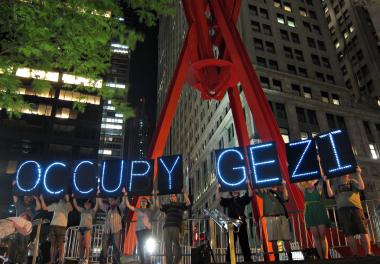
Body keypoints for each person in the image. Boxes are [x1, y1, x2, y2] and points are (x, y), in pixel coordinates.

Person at [324, 165, 373, 257]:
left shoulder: (352, 181)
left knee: (363, 231)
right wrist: (327, 182)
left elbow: (362, 187)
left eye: (345, 173)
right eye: (342, 173)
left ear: (348, 174)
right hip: (343, 210)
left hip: (356, 208)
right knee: (349, 233)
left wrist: (358, 173)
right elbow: (330, 194)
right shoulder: (335, 184)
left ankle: (368, 252)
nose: (344, 175)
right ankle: (355, 254)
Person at [216, 182, 253, 262]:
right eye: (233, 191)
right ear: (231, 192)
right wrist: (218, 188)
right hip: (231, 225)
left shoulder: (242, 199)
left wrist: (248, 185)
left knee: (244, 242)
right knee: (231, 243)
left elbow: (250, 195)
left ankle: (248, 259)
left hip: (241, 223)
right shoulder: (228, 201)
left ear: (238, 192)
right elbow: (218, 199)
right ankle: (229, 260)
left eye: (236, 190)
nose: (235, 191)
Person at [257, 180, 292, 261]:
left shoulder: (280, 193)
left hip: (282, 217)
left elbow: (286, 198)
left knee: (286, 239)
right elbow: (256, 189)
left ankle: (290, 257)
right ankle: (277, 258)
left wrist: (284, 186)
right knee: (273, 240)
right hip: (271, 218)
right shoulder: (265, 193)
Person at [296, 180, 330, 259]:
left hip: (319, 211)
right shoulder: (304, 191)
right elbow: (296, 182)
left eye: (310, 181)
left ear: (314, 182)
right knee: (316, 237)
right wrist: (289, 167)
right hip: (310, 213)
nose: (308, 183)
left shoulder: (318, 188)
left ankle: (326, 257)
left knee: (322, 236)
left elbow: (321, 179)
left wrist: (320, 171)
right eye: (307, 182)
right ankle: (321, 257)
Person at [10, 181, 41, 264]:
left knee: (23, 249)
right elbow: (15, 196)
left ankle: (22, 262)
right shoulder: (19, 205)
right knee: (14, 248)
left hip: (26, 232)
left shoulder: (32, 208)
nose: (26, 197)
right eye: (25, 196)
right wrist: (14, 186)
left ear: (31, 199)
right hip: (16, 230)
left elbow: (39, 207)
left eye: (28, 197)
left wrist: (36, 198)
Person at [125, 193, 158, 264]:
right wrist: (125, 195)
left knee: (147, 244)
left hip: (147, 229)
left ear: (147, 203)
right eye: (141, 202)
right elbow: (128, 206)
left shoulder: (149, 210)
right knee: (140, 245)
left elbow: (156, 206)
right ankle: (143, 260)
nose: (142, 203)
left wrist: (154, 196)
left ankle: (148, 260)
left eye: (144, 201)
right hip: (139, 230)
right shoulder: (138, 209)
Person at [40, 194, 73, 264]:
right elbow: (45, 208)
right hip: (54, 225)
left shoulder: (67, 205)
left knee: (60, 245)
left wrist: (68, 200)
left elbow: (71, 209)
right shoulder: (56, 204)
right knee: (54, 244)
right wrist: (42, 199)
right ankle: (52, 260)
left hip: (61, 226)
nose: (63, 197)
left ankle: (60, 260)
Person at [160, 193, 191, 264]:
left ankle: (176, 261)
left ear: (176, 197)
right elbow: (159, 206)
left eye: (173, 196)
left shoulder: (180, 205)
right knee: (168, 247)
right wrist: (157, 194)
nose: (171, 197)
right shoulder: (167, 205)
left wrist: (184, 193)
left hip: (175, 226)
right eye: (170, 196)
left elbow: (188, 203)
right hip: (166, 227)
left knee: (176, 245)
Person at [98, 193, 127, 264]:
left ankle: (116, 262)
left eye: (112, 200)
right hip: (106, 231)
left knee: (116, 248)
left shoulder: (120, 208)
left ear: (116, 200)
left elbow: (124, 202)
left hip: (116, 231)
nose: (110, 202)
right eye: (109, 200)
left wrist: (124, 195)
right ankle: (102, 262)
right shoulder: (107, 208)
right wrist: (98, 195)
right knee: (104, 248)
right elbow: (100, 204)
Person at [72, 197, 99, 264]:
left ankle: (86, 259)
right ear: (84, 205)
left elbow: (97, 205)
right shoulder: (82, 210)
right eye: (86, 203)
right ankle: (80, 259)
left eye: (88, 203)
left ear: (90, 204)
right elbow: (75, 205)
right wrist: (74, 197)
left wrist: (97, 197)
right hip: (81, 228)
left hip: (88, 228)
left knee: (87, 245)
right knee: (80, 245)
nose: (87, 204)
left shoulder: (92, 211)